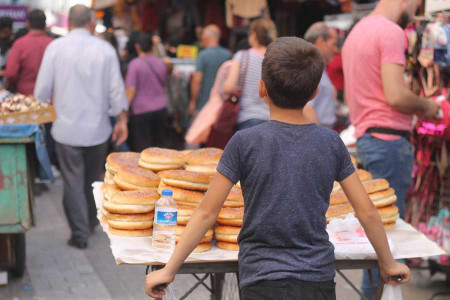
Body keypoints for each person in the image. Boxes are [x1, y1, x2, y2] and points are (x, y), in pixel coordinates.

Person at [145, 36, 410, 300]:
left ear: (261, 89)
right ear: (315, 92)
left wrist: (170, 269)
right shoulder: (331, 142)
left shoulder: (244, 142)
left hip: (260, 280)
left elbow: (206, 212)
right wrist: (387, 263)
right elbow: (367, 213)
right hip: (317, 279)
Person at [342, 0, 440, 298]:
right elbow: (396, 95)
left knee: (376, 240)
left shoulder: (357, 32)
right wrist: (430, 107)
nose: (417, 9)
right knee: (385, 247)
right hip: (389, 142)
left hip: (369, 139)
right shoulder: (390, 32)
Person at [34, 5, 128, 249]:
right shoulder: (105, 49)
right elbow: (116, 89)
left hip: (66, 129)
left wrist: (39, 116)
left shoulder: (56, 48)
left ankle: (80, 232)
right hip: (97, 129)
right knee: (91, 178)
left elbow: (42, 89)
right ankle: (90, 222)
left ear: (68, 24)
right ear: (90, 23)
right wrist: (122, 120)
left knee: (73, 181)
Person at [125, 32, 168, 152]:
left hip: (141, 111)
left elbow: (130, 89)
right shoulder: (161, 63)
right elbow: (164, 85)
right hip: (161, 108)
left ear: (137, 46)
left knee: (143, 149)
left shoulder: (134, 65)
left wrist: (124, 110)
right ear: (152, 46)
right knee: (159, 147)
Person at [5, 9, 53, 95]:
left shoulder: (19, 44)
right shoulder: (53, 44)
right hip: (49, 95)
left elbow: (10, 73)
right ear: (45, 25)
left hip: (25, 96)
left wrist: (13, 87)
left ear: (28, 24)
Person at [188, 24, 231, 116]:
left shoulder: (202, 55)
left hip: (204, 104)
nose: (201, 38)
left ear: (207, 37)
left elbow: (197, 80)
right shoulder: (228, 54)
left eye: (202, 35)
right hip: (221, 104)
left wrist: (193, 101)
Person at [304, 22, 338, 128]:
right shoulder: (309, 68)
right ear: (321, 41)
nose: (336, 49)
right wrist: (321, 139)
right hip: (318, 133)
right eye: (333, 44)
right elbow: (306, 109)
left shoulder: (317, 67)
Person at [0, 17, 13, 86]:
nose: (1, 32)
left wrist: (4, 72)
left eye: (4, 30)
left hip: (10, 84)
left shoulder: (15, 44)